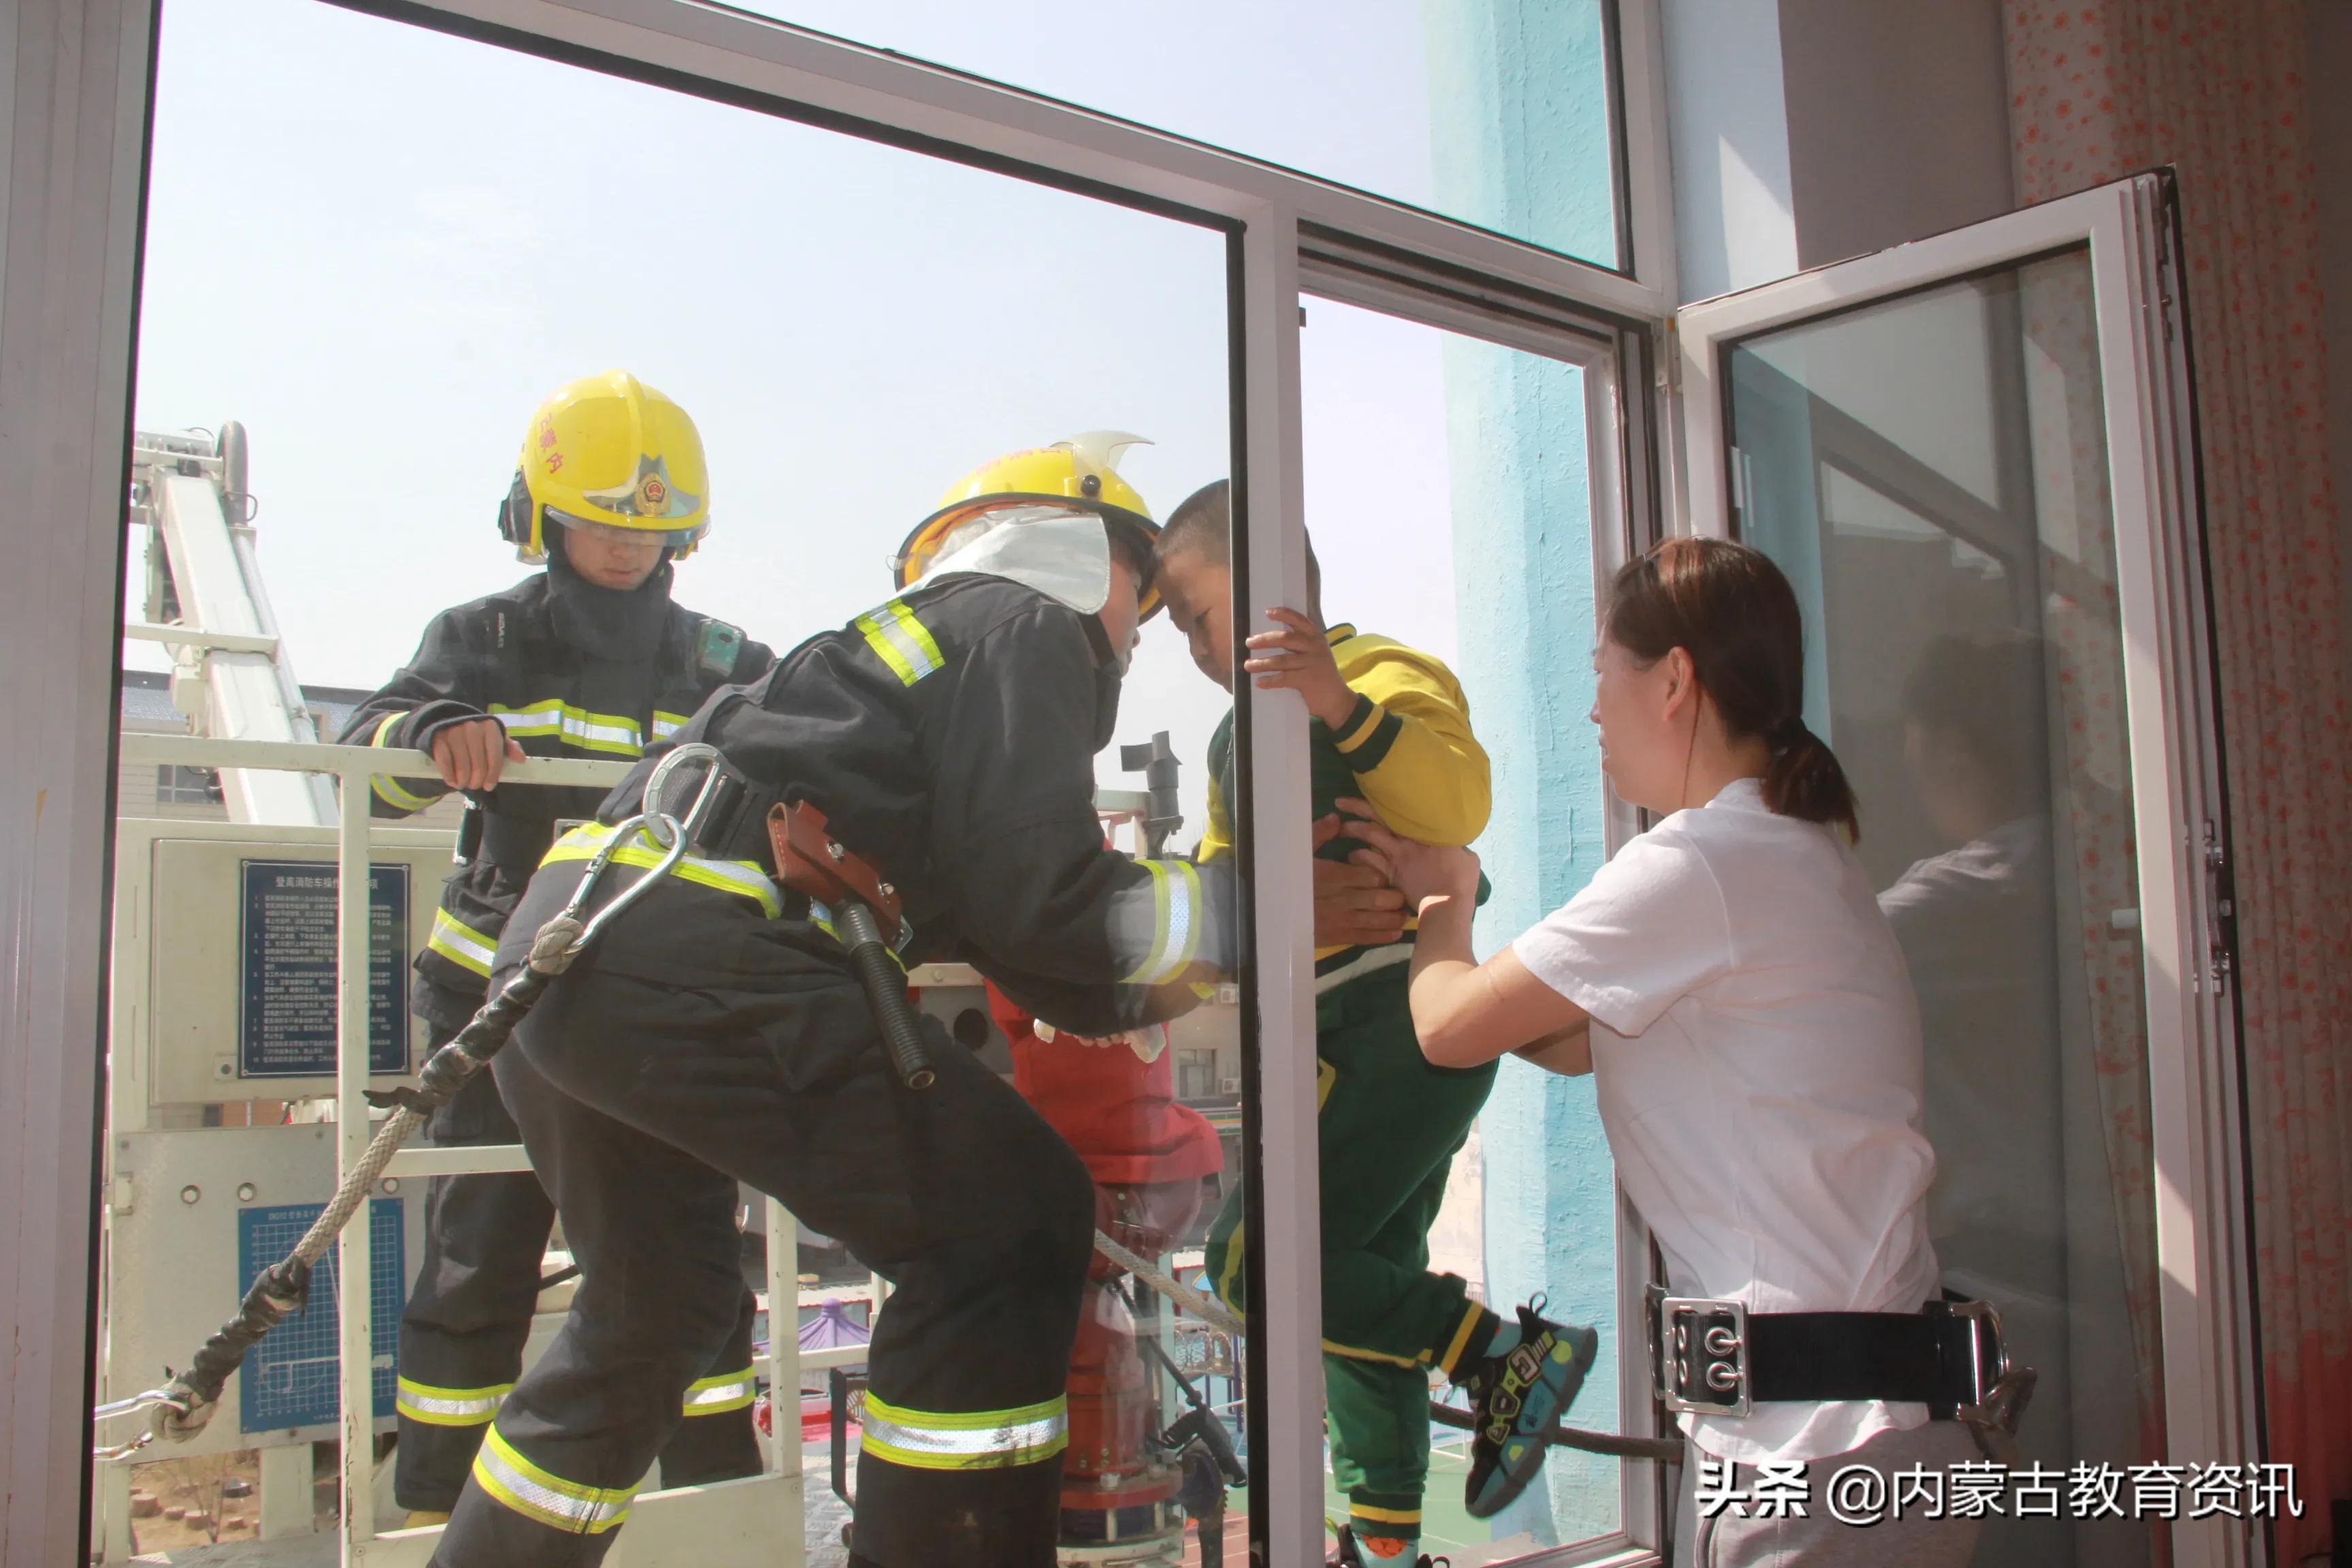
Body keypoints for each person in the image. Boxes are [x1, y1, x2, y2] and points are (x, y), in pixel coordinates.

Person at [429, 435, 1242, 1568]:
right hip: (696, 951)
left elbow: (1034, 940)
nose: (1137, 634)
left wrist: (1168, 954)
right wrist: (1250, 908)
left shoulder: (899, 667)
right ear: (1087, 551)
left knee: (650, 1312)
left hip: (571, 958)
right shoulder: (1027, 619)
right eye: (1144, 607)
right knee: (1008, 1220)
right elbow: (1052, 904)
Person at [1341, 538, 1986, 1568]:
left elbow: (1449, 1025)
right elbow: (1566, 1038)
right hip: (1863, 1443)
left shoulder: (1701, 864)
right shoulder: (1791, 852)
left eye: (1604, 675)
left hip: (1813, 1462)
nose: (1594, 709)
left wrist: (1446, 897)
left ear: (1674, 679)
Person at [342, 370, 774, 1524]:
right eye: (597, 524)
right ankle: (439, 1512)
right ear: (539, 517)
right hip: (494, 999)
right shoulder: (481, 640)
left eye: (648, 528)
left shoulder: (723, 660)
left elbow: (810, 743)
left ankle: (714, 1496)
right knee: (480, 1252)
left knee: (692, 1249)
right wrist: (434, 732)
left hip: (654, 998)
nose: (625, 551)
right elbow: (366, 755)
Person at [1152, 480, 1601, 1562]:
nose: (1196, 646)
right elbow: (1222, 895)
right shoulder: (1227, 748)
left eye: (1199, 615)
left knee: (1257, 1261)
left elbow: (1461, 806)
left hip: (1403, 1027)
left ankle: (1495, 1354)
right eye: (1179, 630)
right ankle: (1388, 1541)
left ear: (1269, 586)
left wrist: (1337, 704)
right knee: (1362, 1303)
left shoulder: (1379, 675)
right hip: (1330, 1047)